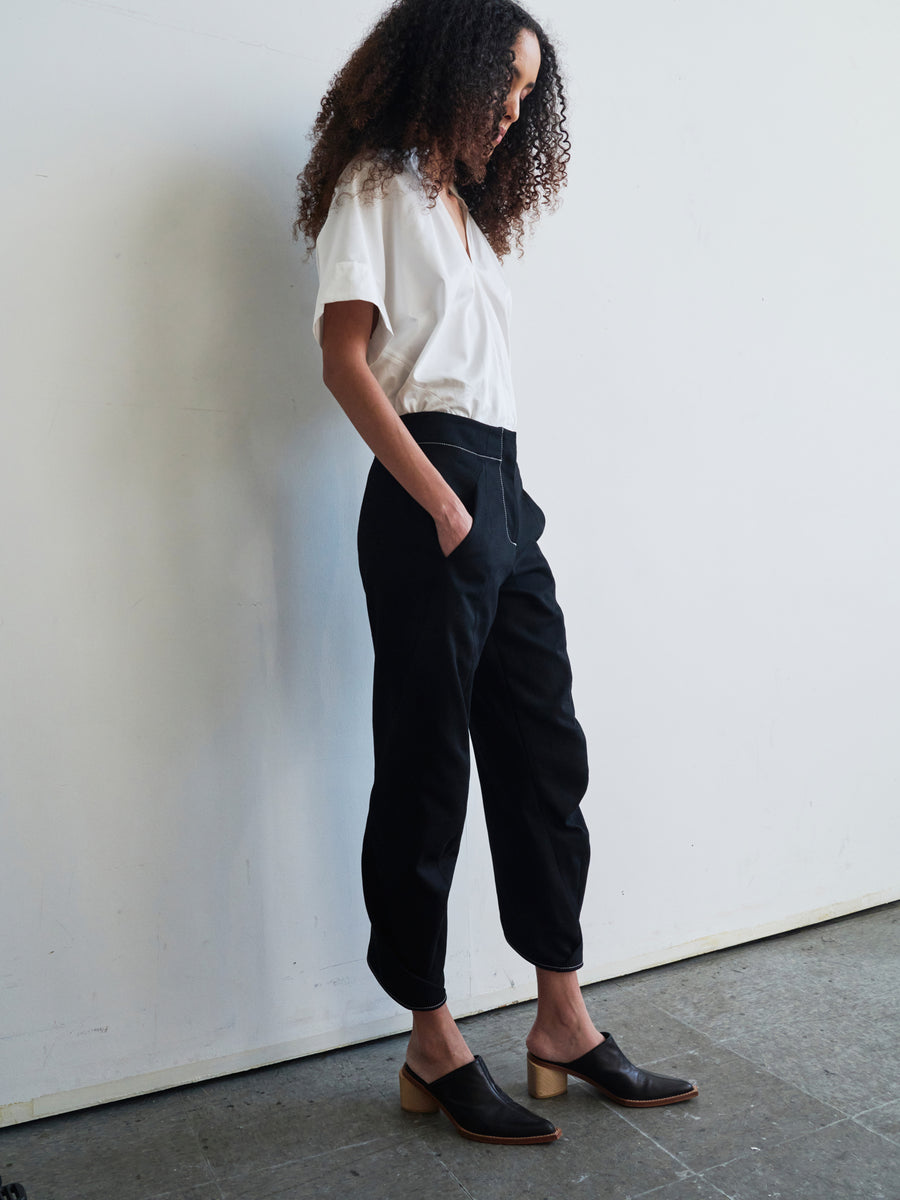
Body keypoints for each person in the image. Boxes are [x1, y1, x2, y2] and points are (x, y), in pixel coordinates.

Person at [296, 0, 698, 1146]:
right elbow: (341, 363)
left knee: (541, 746)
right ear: (452, 66)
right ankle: (430, 1038)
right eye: (505, 86)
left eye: (530, 96)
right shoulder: (376, 185)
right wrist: (441, 503)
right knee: (427, 763)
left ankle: (561, 1018)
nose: (516, 111)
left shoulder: (467, 216)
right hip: (435, 491)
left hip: (503, 493)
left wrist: (495, 512)